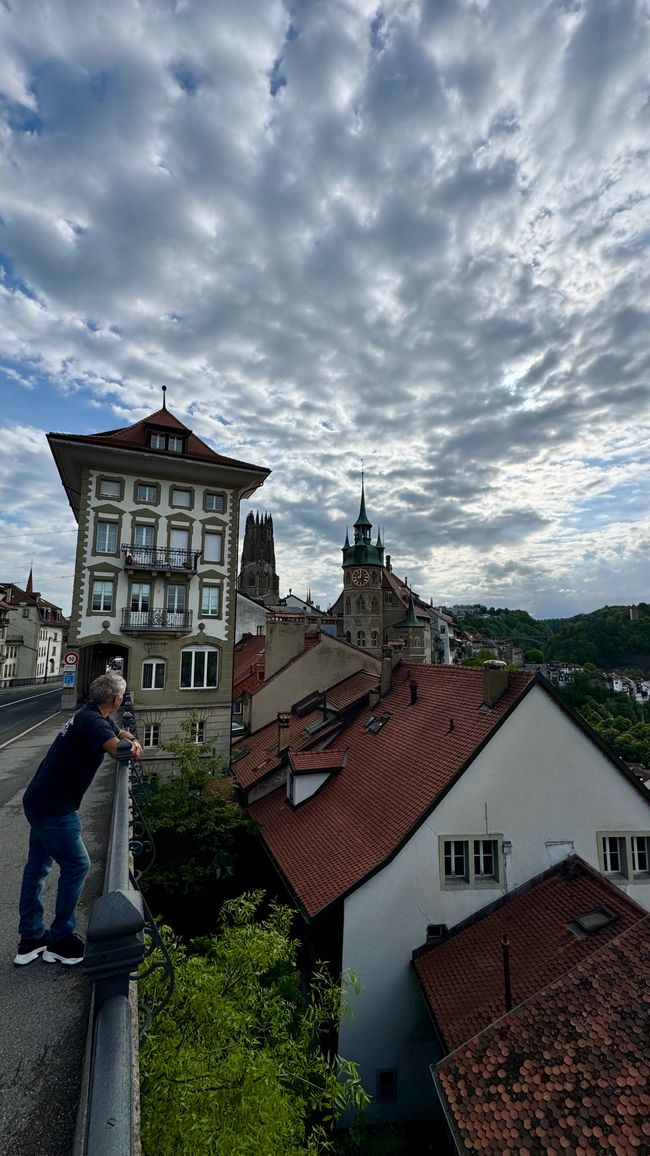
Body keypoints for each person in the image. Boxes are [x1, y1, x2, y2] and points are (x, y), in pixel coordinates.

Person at [14, 673, 143, 966]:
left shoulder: (90, 714)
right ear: (116, 700)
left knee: (38, 867)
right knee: (78, 865)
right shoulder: (94, 722)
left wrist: (131, 737)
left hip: (40, 798)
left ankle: (31, 939)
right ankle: (60, 940)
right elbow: (115, 748)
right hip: (55, 807)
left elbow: (118, 734)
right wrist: (133, 747)